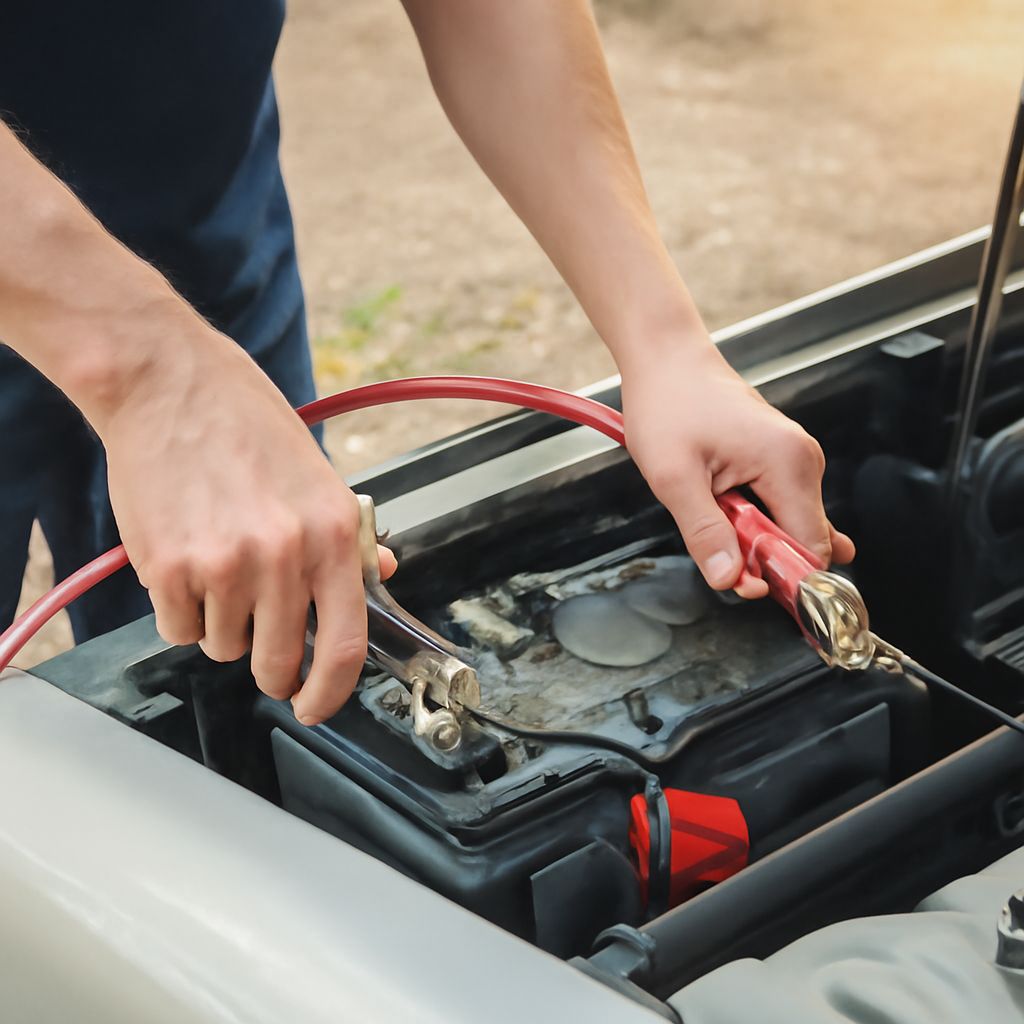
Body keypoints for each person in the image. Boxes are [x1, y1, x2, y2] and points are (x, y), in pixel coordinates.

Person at [0, 1, 854, 726]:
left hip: (203, 242)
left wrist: (662, 341)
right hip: (138, 329)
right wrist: (152, 370)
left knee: (246, 689)